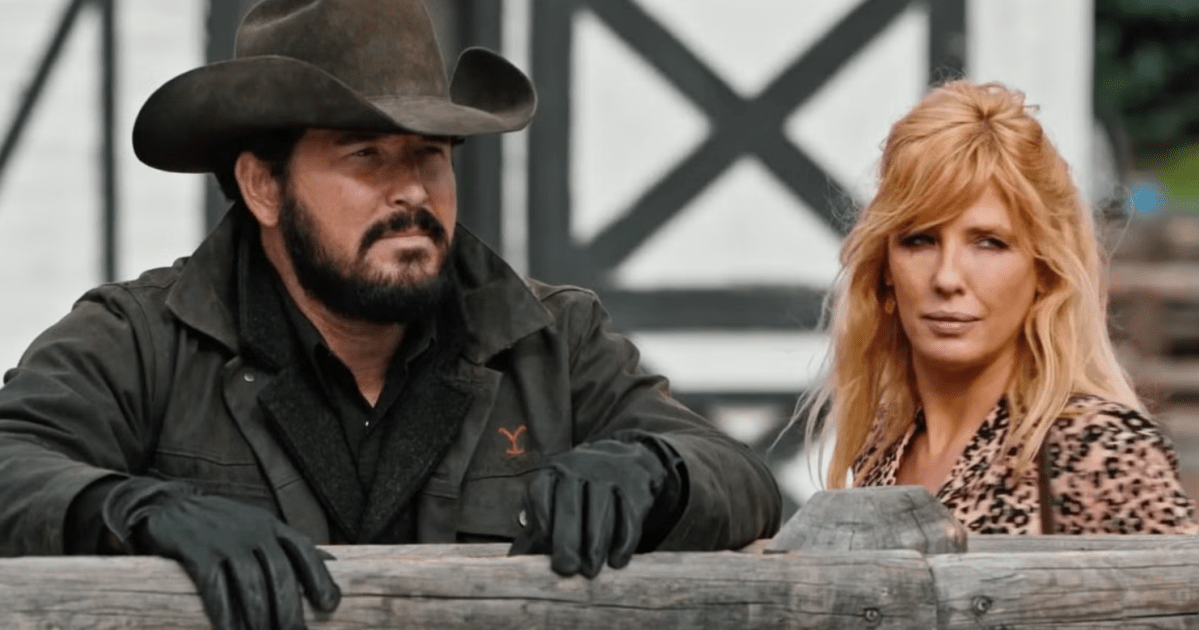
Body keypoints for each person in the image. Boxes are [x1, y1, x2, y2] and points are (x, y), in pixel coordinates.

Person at [0, 1, 782, 628]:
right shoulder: (142, 339)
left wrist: (652, 473)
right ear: (264, 187)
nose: (411, 190)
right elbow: (12, 460)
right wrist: (137, 510)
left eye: (429, 154)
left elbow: (740, 478)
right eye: (365, 155)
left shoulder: (553, 341)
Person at [801, 80, 1198, 536]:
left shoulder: (1100, 450)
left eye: (989, 242)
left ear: (1044, 271)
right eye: (920, 240)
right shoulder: (884, 447)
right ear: (885, 268)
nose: (947, 277)